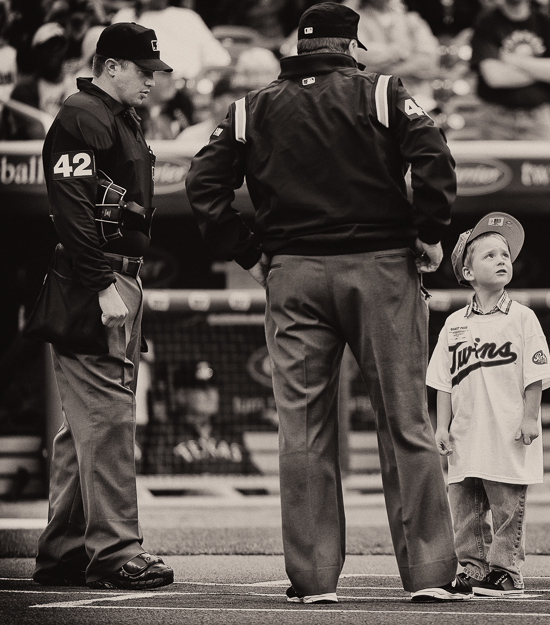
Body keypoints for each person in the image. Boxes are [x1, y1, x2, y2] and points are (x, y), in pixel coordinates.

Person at [185, 2, 468, 604]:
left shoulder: (250, 105)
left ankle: (313, 581)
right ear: (351, 46)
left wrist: (245, 250)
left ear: (298, 45)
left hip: (294, 275)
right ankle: (430, 575)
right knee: (406, 423)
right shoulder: (383, 90)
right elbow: (436, 159)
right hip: (381, 270)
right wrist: (428, 229)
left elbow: (203, 184)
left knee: (303, 432)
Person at [33, 22, 174, 590]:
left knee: (85, 427)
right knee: (110, 420)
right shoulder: (82, 115)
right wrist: (100, 285)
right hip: (94, 279)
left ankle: (65, 550)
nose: (152, 82)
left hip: (114, 277)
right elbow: (72, 210)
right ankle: (115, 550)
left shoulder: (114, 117)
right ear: (111, 65)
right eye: (144, 71)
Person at [427, 212, 550, 597]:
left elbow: (536, 374)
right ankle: (473, 567)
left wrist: (531, 417)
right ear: (467, 271)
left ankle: (506, 570)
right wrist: (441, 426)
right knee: (464, 510)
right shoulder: (453, 324)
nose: (502, 260)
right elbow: (442, 382)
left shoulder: (523, 317)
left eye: (506, 255)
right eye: (490, 256)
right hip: (466, 434)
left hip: (508, 431)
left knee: (506, 508)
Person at [469, 0, 550, 140]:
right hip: (496, 119)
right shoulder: (487, 22)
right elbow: (495, 78)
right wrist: (544, 73)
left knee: (543, 162)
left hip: (539, 118)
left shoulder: (546, 22)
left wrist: (513, 60)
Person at [143, 360, 257, 475]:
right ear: (181, 395)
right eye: (202, 389)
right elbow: (158, 479)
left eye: (213, 388)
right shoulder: (165, 433)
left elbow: (256, 481)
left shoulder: (230, 433)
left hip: (233, 491)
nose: (210, 395)